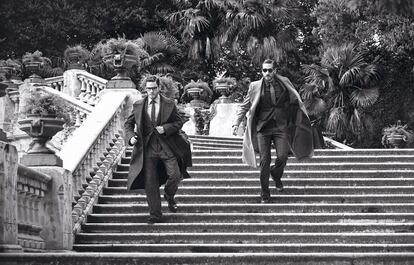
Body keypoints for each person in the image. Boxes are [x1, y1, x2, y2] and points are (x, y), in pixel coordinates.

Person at [232, 59, 313, 203]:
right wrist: (236, 123)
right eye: (264, 70)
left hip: (281, 126)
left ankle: (275, 173)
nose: (267, 73)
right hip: (263, 128)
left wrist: (299, 117)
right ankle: (265, 194)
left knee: (282, 157)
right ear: (261, 71)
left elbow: (294, 100)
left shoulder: (284, 82)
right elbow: (244, 105)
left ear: (275, 70)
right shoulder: (255, 86)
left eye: (269, 70)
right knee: (264, 160)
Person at [124, 75, 192, 224]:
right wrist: (130, 138)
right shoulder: (138, 105)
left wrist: (166, 128)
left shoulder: (169, 104)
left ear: (158, 87)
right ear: (145, 89)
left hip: (167, 145)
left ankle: (169, 194)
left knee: (175, 175)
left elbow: (178, 122)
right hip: (147, 148)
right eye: (148, 89)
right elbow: (128, 125)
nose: (151, 92)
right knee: (150, 183)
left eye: (154, 88)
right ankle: (155, 214)